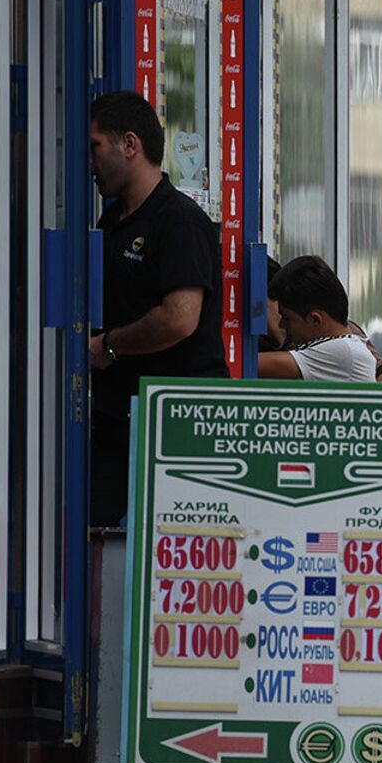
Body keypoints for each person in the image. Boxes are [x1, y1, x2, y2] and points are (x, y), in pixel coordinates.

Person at [87, 91, 225, 525]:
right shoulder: (111, 223)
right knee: (101, 536)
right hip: (118, 417)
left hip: (178, 424)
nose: (89, 161)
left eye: (95, 147)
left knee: (177, 544)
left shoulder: (178, 220)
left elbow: (180, 318)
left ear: (130, 144)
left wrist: (108, 346)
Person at [258, 256, 378, 382]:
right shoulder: (346, 344)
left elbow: (252, 364)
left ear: (315, 320)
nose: (282, 324)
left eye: (287, 318)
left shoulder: (342, 351)